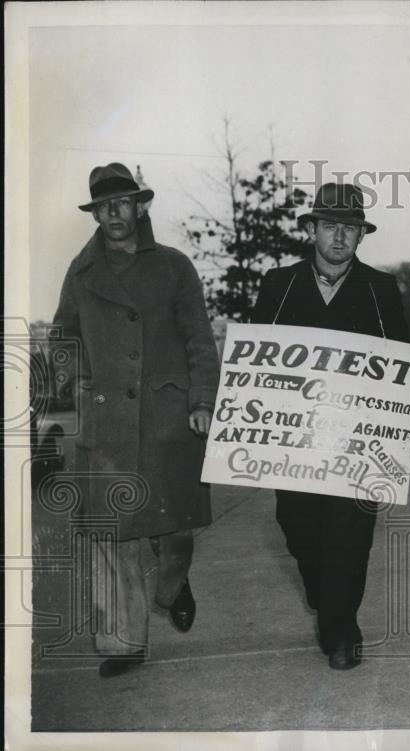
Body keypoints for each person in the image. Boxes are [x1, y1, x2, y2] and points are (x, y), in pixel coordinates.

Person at [52, 163, 220, 677]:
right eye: (104, 206)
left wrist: (201, 401)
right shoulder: (81, 274)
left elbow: (199, 340)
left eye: (123, 202)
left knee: (174, 528)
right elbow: (63, 335)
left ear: (140, 205)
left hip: (166, 417)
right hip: (106, 425)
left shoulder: (174, 267)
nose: (114, 213)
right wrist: (77, 381)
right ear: (95, 213)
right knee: (112, 535)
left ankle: (173, 585)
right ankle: (123, 642)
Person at [250, 182, 409, 670]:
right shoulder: (278, 286)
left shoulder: (381, 290)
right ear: (312, 230)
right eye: (330, 226)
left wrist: (392, 439)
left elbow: (401, 365)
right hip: (293, 443)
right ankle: (325, 596)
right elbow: (253, 362)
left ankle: (341, 630)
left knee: (351, 534)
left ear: (361, 236)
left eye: (350, 228)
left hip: (356, 445)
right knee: (297, 527)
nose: (340, 237)